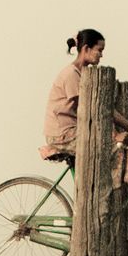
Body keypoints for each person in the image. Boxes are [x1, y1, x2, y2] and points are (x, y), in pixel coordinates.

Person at [41, 29, 113, 162]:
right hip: (62, 134)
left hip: (74, 131)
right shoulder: (71, 74)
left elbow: (102, 107)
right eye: (99, 50)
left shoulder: (85, 74)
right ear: (86, 48)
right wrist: (115, 134)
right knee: (106, 146)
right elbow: (90, 108)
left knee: (107, 142)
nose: (101, 55)